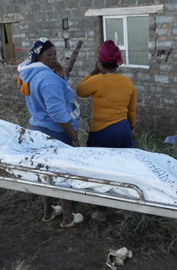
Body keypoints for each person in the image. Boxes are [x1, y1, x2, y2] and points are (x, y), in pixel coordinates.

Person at [17, 38, 84, 228]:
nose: (54, 58)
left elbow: (51, 98)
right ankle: (68, 217)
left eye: (55, 53)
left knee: (45, 171)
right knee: (61, 173)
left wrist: (61, 77)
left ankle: (48, 211)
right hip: (56, 132)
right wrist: (73, 136)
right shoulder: (47, 78)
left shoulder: (31, 73)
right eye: (49, 55)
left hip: (38, 129)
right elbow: (57, 112)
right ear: (39, 56)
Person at [76, 40, 137, 223]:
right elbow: (132, 111)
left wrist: (93, 72)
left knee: (100, 171)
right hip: (124, 130)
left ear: (100, 63)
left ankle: (101, 211)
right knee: (123, 170)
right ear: (117, 64)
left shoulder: (98, 80)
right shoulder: (127, 83)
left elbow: (80, 90)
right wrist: (130, 129)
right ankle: (126, 209)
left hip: (103, 133)